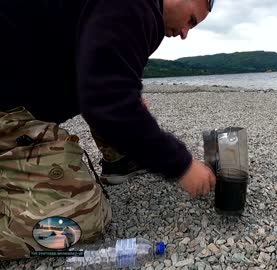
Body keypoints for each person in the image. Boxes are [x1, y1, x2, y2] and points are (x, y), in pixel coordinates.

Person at [0, 0, 216, 260]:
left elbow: (108, 77)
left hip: (19, 94)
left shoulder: (134, 14)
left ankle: (121, 163)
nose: (184, 33)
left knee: (128, 101)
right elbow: (108, 100)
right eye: (191, 20)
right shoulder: (136, 7)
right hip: (8, 111)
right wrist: (182, 165)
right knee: (84, 217)